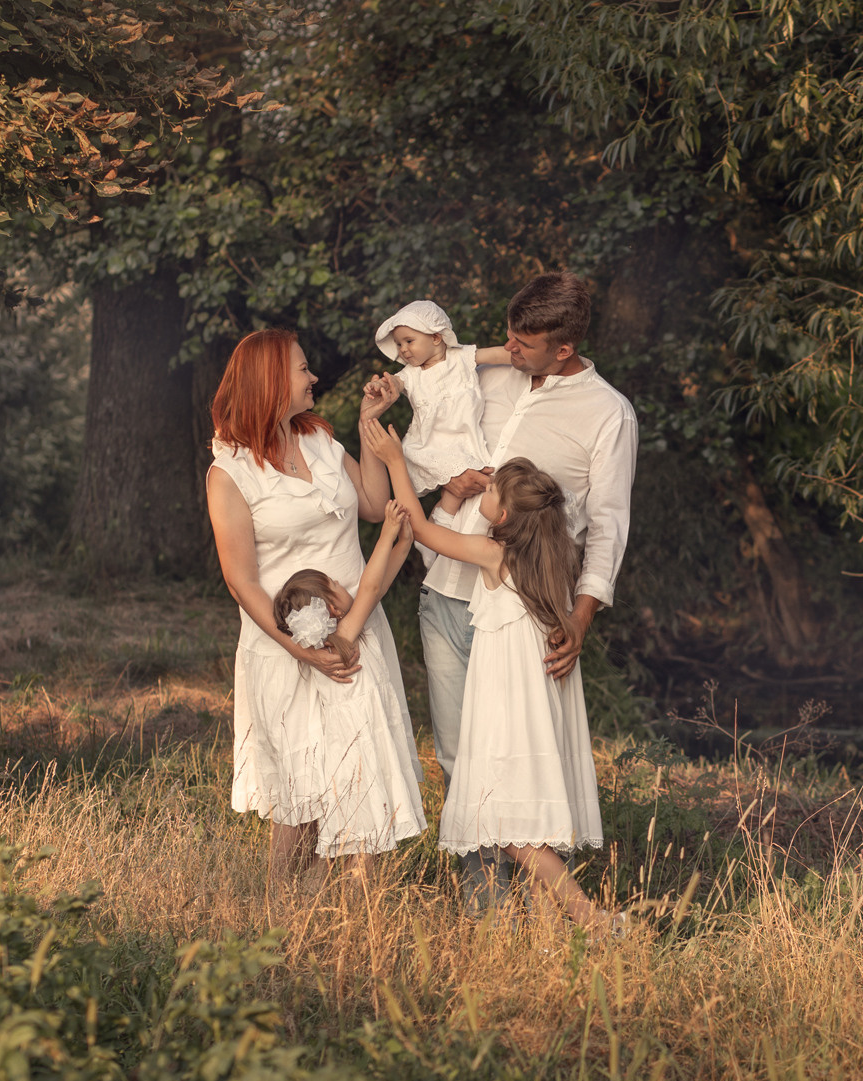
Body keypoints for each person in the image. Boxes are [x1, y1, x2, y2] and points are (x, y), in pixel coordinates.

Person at [367, 273, 637, 910]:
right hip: (448, 593)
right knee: (461, 760)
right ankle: (487, 913)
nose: (506, 351)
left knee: (535, 757)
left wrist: (580, 620)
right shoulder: (481, 375)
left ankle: (550, 916)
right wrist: (445, 479)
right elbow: (436, 468)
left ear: (562, 350)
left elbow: (608, 527)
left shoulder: (607, 414)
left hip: (525, 615)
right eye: (509, 338)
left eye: (522, 345)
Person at [364, 423, 614, 929]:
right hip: (532, 707)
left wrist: (395, 460)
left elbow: (423, 528)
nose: (487, 486)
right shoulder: (553, 560)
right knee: (521, 821)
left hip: (506, 709)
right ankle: (547, 934)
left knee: (511, 827)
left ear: (501, 517)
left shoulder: (496, 556)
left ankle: (594, 920)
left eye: (494, 488)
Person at [204, 329, 422, 887]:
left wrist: (368, 422)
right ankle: (284, 918)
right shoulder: (230, 472)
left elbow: (374, 506)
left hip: (355, 631)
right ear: (272, 382)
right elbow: (241, 581)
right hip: (286, 643)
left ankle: (345, 916)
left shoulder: (322, 442)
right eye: (303, 369)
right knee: (302, 794)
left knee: (359, 772)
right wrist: (299, 649)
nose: (314, 377)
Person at [267, 500, 425, 866]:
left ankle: (329, 905)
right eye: (335, 585)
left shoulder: (331, 644)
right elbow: (370, 588)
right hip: (359, 756)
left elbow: (379, 583)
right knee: (364, 845)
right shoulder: (347, 636)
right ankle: (359, 914)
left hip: (344, 757)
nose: (343, 585)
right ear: (332, 609)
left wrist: (403, 542)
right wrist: (386, 532)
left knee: (353, 840)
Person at [370, 299, 513, 495]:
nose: (403, 349)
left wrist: (520, 355)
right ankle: (442, 518)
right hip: (429, 443)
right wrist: (380, 385)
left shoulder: (461, 357)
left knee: (475, 475)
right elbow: (394, 382)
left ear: (436, 337)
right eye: (398, 344)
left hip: (463, 433)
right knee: (452, 485)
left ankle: (455, 514)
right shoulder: (411, 373)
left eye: (409, 341)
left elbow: (494, 355)